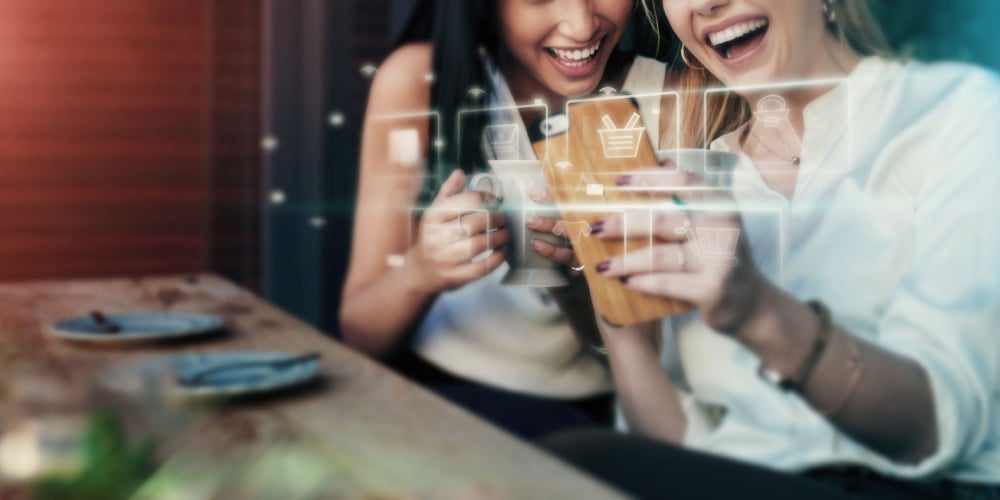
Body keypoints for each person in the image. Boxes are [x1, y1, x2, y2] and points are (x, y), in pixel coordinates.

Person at [541, 0, 1000, 498]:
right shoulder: (701, 177)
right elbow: (676, 448)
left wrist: (757, 310)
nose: (705, 4)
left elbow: (932, 432)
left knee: (566, 464)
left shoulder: (954, 113)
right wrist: (613, 301)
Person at [340, 0, 740, 438]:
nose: (581, 24)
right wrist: (421, 271)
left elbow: (668, 353)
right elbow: (361, 333)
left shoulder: (682, 97)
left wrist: (577, 282)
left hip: (598, 417)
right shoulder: (420, 79)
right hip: (433, 395)